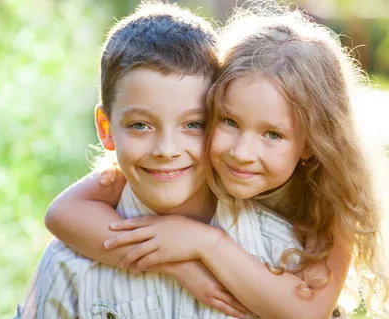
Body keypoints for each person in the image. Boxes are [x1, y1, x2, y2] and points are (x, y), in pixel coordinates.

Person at [43, 3, 389, 319]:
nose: (241, 152)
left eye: (272, 134)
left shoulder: (333, 209)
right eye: (230, 121)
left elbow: (304, 311)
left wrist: (204, 242)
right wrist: (180, 266)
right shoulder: (156, 173)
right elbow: (62, 213)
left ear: (313, 143)